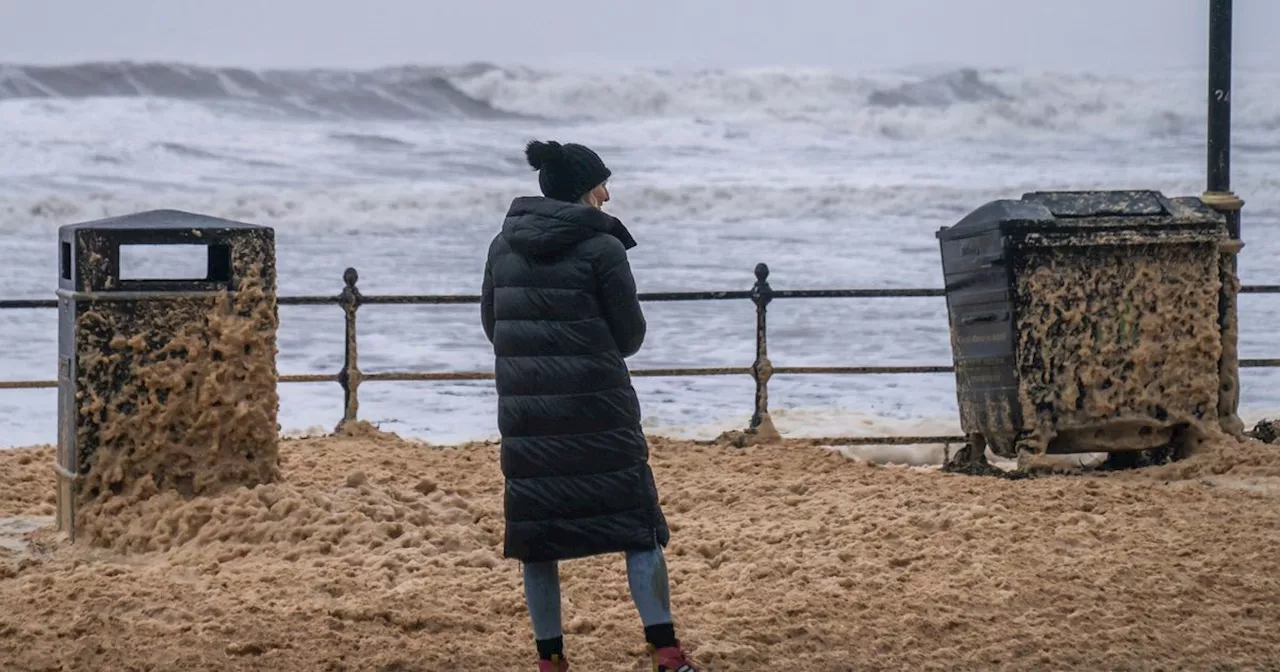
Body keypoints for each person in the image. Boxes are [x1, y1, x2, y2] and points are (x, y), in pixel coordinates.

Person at [481, 140, 699, 672]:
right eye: (601, 183)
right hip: (598, 411)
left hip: (528, 415)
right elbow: (629, 337)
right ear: (583, 191)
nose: (607, 193)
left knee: (538, 537)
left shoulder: (501, 246)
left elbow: (493, 326)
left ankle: (550, 661)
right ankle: (665, 652)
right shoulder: (603, 249)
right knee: (637, 525)